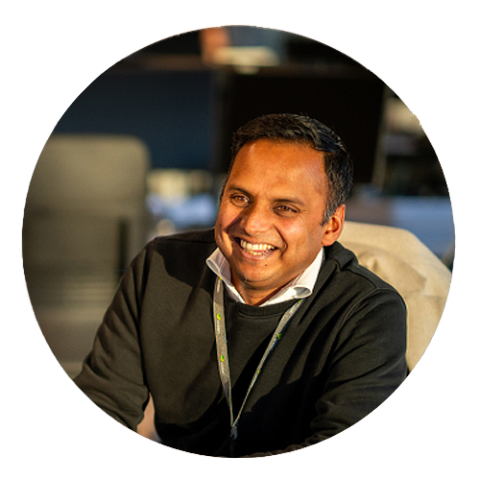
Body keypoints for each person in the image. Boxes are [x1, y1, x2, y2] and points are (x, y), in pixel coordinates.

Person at [74, 113, 407, 458]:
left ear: (331, 226)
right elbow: (104, 401)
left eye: (285, 208)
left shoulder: (369, 312)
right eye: (240, 198)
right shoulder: (159, 267)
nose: (252, 224)